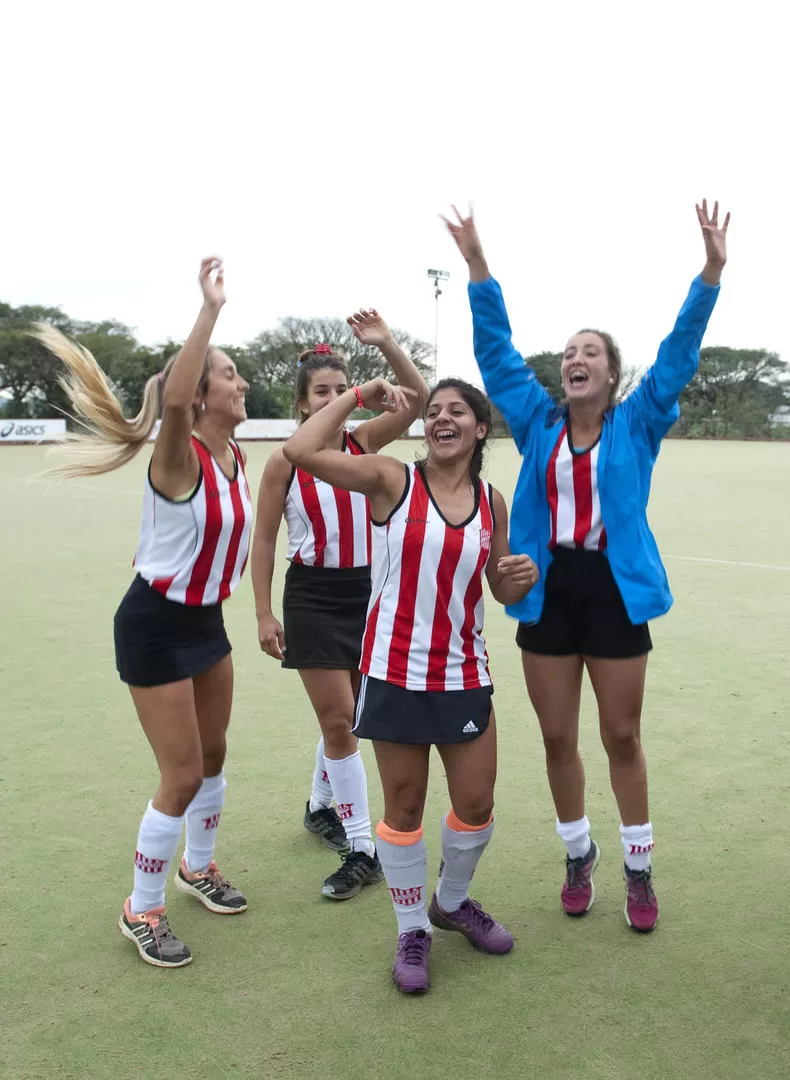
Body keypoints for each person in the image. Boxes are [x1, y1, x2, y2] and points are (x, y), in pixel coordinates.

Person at [443, 200, 729, 933]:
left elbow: (679, 353)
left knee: (622, 737)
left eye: (589, 354)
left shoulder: (639, 420)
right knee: (557, 738)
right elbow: (497, 354)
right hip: (547, 593)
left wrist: (711, 271)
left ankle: (638, 868)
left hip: (612, 591)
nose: (575, 360)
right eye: (569, 353)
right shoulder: (538, 420)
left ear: (611, 374)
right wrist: (478, 264)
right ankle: (579, 854)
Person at [282, 375, 538, 993]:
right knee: (405, 809)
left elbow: (500, 589)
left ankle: (450, 902)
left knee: (476, 806)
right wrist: (357, 396)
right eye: (434, 411)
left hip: (462, 672)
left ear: (481, 428)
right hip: (393, 671)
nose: (443, 418)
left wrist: (519, 579)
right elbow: (301, 452)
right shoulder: (392, 479)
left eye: (458, 411)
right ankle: (410, 930)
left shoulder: (492, 500)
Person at [34, 257, 253, 967]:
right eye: (230, 374)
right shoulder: (179, 455)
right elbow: (179, 391)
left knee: (214, 755)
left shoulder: (233, 459)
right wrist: (209, 312)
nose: (242, 382)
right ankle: (143, 908)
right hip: (155, 624)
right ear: (200, 395)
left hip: (206, 622)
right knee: (182, 773)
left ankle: (199, 865)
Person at [251, 310, 428, 898]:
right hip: (312, 597)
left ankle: (320, 804)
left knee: (349, 715)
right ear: (304, 404)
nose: (335, 400)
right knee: (338, 720)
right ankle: (362, 847)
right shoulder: (284, 460)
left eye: (340, 388)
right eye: (322, 393)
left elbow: (420, 399)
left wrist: (387, 345)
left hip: (366, 592)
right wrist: (263, 611)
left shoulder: (363, 442)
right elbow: (266, 538)